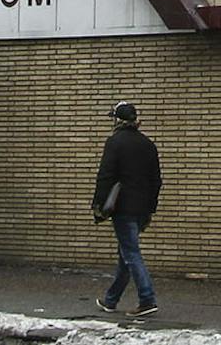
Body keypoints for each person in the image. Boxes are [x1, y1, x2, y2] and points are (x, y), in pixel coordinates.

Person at [92, 100, 162, 317]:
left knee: (131, 253)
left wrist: (98, 204)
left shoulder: (115, 142)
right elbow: (156, 180)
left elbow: (106, 175)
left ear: (117, 120)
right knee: (126, 254)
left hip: (123, 208)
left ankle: (147, 298)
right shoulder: (148, 144)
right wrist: (151, 208)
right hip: (142, 209)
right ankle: (111, 300)